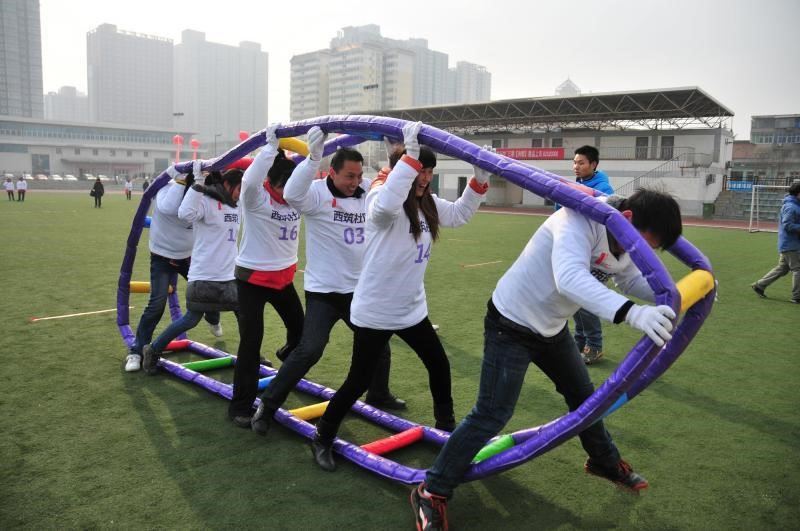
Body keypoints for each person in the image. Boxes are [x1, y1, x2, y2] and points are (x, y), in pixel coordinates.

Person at [409, 187, 683, 530]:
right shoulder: (577, 219)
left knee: (586, 400)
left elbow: (628, 277)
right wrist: (632, 314)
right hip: (510, 323)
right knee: (492, 413)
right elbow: (569, 279)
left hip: (551, 329)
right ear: (627, 220)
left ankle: (604, 462)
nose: (645, 252)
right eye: (646, 243)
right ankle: (431, 490)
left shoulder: (624, 237)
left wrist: (677, 294)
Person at [309, 122, 489, 472]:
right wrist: (407, 160)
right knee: (358, 380)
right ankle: (323, 435)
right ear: (402, 167)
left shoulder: (428, 203)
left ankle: (446, 429)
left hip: (411, 309)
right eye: (419, 171)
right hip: (376, 309)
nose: (424, 178)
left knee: (439, 364)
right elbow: (383, 211)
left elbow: (462, 214)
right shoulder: (380, 193)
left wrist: (479, 178)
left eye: (429, 172)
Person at [249, 133, 408, 438]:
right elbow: (293, 194)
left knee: (379, 346)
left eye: (359, 175)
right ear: (333, 172)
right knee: (309, 350)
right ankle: (267, 406)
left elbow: (394, 190)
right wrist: (312, 158)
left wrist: (396, 157)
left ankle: (378, 393)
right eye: (349, 175)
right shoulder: (316, 193)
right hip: (325, 291)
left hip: (359, 290)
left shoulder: (366, 193)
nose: (355, 181)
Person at [227, 126, 310, 427]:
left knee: (302, 335)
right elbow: (250, 179)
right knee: (251, 342)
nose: (290, 194)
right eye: (284, 186)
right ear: (270, 182)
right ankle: (240, 406)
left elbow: (313, 169)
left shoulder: (298, 197)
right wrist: (268, 147)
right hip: (252, 280)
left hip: (282, 279)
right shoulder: (256, 197)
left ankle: (285, 368)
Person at [142, 163, 243, 374]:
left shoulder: (237, 204)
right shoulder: (205, 202)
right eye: (238, 187)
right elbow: (184, 212)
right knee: (191, 319)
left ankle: (250, 354)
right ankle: (153, 349)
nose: (240, 193)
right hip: (205, 274)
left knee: (244, 314)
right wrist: (197, 182)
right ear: (226, 184)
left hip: (229, 275)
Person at [125, 170, 222, 372]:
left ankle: (213, 319)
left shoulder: (203, 198)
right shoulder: (167, 192)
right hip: (162, 256)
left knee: (209, 290)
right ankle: (136, 351)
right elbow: (169, 207)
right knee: (157, 304)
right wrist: (178, 177)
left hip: (188, 256)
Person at [571, 145, 614, 365]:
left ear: (593, 165)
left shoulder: (602, 188)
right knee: (574, 297)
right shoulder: (578, 184)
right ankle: (580, 341)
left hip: (600, 256)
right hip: (581, 250)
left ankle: (594, 346)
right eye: (575, 162)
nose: (576, 166)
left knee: (584, 299)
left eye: (581, 163)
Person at [751, 181, 800, 304]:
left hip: (788, 243)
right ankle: (797, 296)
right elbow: (788, 225)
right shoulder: (791, 207)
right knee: (798, 269)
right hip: (791, 244)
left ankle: (760, 285)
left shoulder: (794, 205)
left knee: (783, 268)